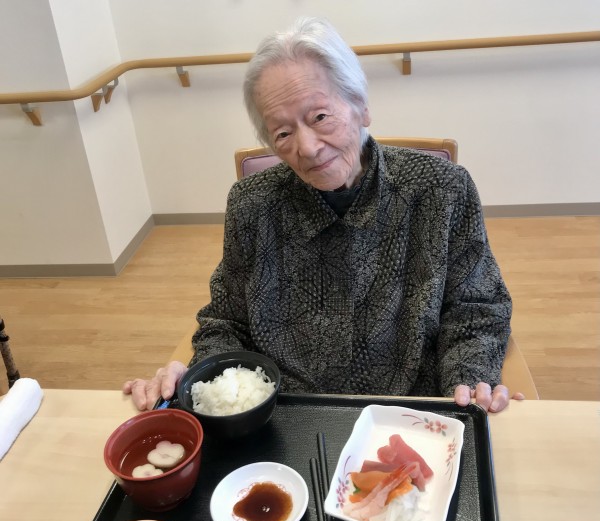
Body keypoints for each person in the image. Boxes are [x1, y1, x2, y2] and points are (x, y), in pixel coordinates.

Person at [124, 17, 524, 413]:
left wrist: (468, 386)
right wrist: (196, 379)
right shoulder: (252, 203)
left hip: (409, 415)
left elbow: (476, 309)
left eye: (319, 117)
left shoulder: (441, 188)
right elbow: (228, 322)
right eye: (283, 133)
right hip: (287, 416)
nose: (308, 148)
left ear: (360, 106)